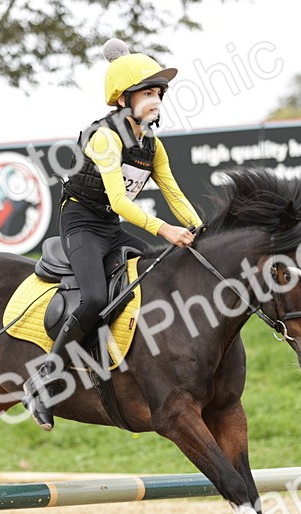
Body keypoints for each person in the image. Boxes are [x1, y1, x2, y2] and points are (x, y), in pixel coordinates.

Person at [22, 38, 204, 431]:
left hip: (110, 228)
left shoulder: (153, 146)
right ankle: (43, 380)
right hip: (81, 224)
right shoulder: (104, 137)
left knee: (159, 273)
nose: (156, 99)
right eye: (148, 92)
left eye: (159, 92)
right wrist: (165, 229)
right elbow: (120, 201)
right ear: (123, 99)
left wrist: (199, 229)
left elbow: (173, 193)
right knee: (93, 298)